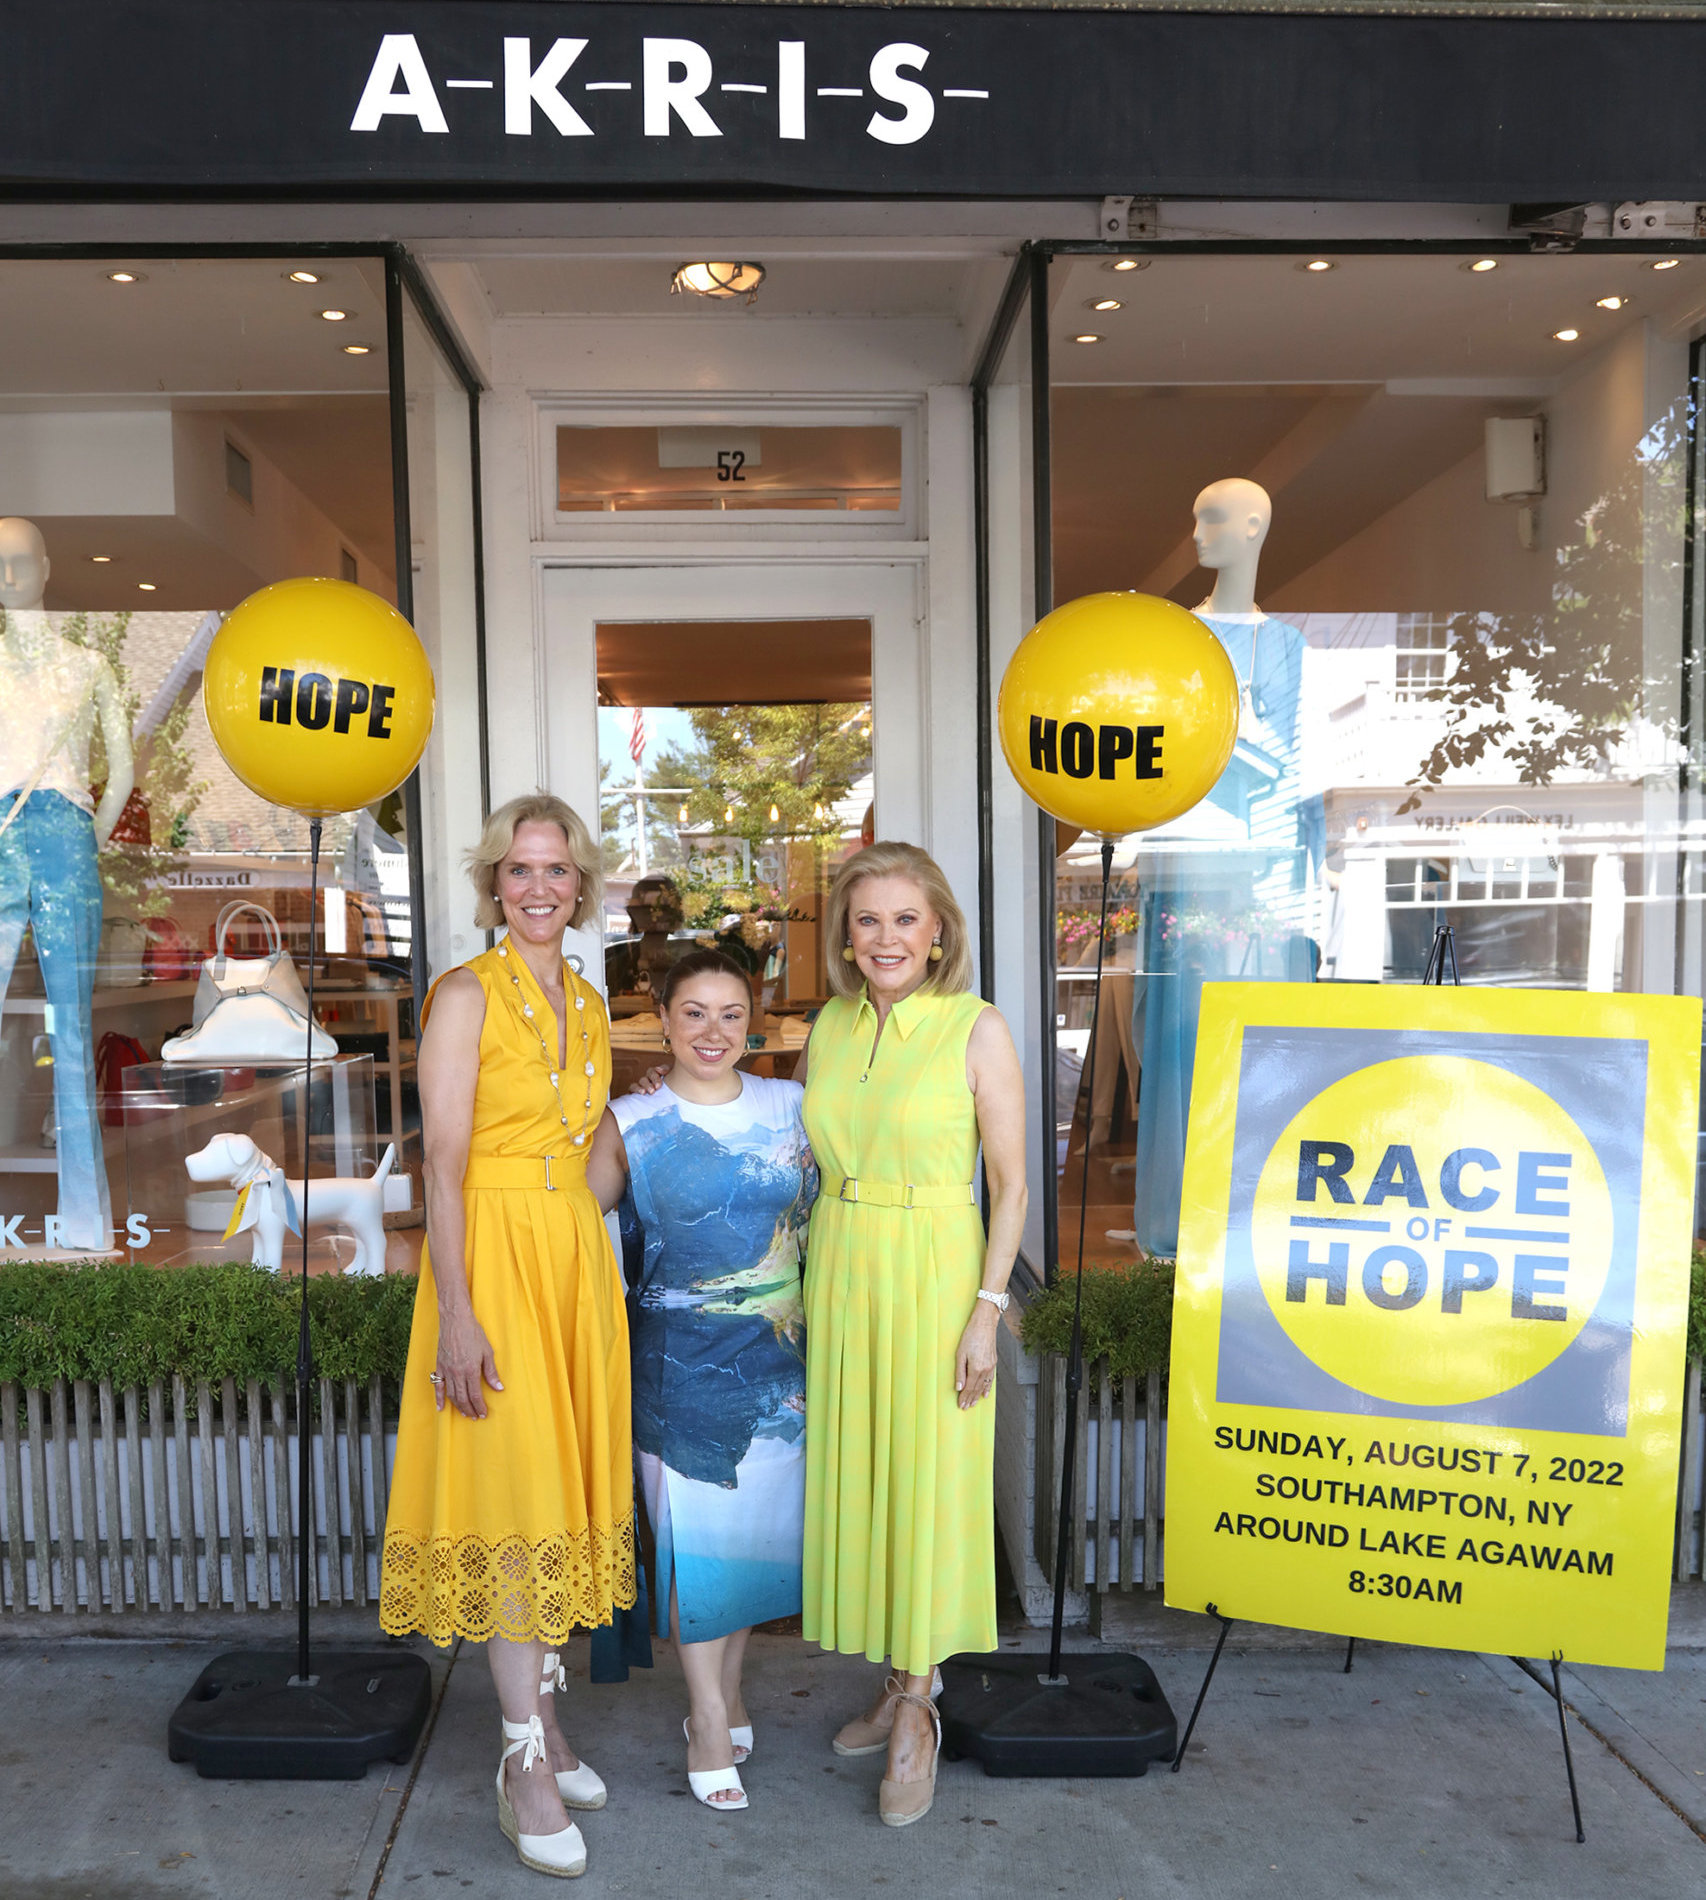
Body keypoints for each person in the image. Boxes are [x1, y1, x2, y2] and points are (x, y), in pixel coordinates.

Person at [380, 792, 635, 1881]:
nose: (538, 887)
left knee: (558, 1496)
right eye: (519, 870)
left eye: (557, 870)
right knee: (514, 1497)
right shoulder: (463, 996)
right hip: (490, 1259)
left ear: (581, 887)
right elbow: (439, 1160)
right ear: (494, 885)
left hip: (570, 1263)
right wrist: (460, 1309)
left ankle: (550, 1719)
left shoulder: (583, 995)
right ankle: (519, 1761)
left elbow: (594, 1138)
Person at [800, 840, 1027, 1827]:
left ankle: (920, 1708)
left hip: (937, 1272)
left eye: (904, 919)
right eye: (866, 919)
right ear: (845, 938)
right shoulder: (829, 1026)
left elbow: (1011, 1184)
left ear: (938, 934)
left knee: (929, 1477)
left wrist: (986, 1308)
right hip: (844, 1263)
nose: (884, 936)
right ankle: (898, 1673)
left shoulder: (976, 1028)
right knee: (873, 1476)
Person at [588, 947, 816, 1814]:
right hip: (676, 1366)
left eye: (730, 1015)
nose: (712, 1032)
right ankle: (708, 1716)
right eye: (693, 1014)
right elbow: (575, 1224)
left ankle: (729, 1689)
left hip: (778, 1366)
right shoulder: (631, 1120)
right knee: (693, 1547)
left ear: (752, 1020)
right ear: (662, 1019)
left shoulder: (793, 1106)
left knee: (751, 1542)